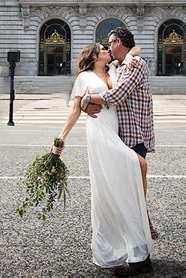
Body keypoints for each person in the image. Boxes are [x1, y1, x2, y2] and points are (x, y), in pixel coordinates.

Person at [53, 42, 153, 275]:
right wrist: (61, 138)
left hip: (114, 130)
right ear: (95, 55)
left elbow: (136, 49)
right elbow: (76, 108)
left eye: (109, 47)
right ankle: (127, 251)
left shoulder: (114, 70)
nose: (109, 50)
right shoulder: (84, 77)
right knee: (138, 165)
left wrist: (93, 99)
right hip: (99, 132)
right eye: (104, 49)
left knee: (120, 188)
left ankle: (137, 251)